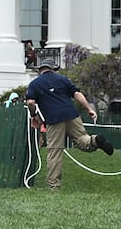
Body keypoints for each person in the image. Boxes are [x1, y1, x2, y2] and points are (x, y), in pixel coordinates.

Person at [24, 59, 114, 191]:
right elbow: (77, 94)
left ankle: (53, 185)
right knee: (82, 140)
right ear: (53, 69)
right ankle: (95, 140)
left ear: (40, 69)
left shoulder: (35, 84)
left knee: (55, 151)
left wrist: (33, 116)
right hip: (72, 114)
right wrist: (89, 109)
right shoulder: (63, 79)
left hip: (54, 119)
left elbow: (30, 102)